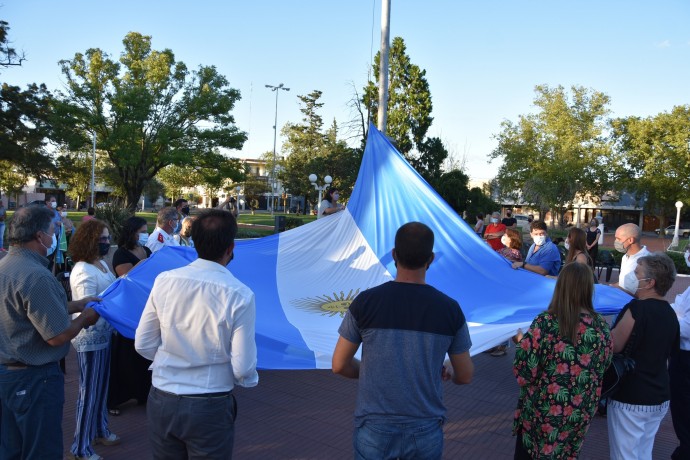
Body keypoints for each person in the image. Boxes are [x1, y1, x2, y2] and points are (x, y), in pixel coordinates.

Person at [332, 222, 474, 459]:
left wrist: (369, 371)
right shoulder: (450, 309)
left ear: (394, 255)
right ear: (430, 259)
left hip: (374, 426)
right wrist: (449, 368)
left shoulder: (365, 302)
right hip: (425, 427)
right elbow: (466, 375)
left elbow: (338, 364)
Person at [136, 209, 258, 459]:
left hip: (163, 397)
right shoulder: (240, 294)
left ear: (195, 243)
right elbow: (243, 368)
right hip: (209, 401)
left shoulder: (165, 280)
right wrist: (246, 380)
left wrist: (171, 362)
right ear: (230, 248)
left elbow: (144, 343)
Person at [0, 206, 99, 459]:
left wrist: (76, 304)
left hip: (9, 375)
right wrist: (85, 318)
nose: (58, 233)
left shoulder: (6, 266)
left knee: (11, 448)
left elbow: (28, 309)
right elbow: (57, 335)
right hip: (34, 380)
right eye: (55, 228)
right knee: (41, 450)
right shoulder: (36, 276)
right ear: (39, 235)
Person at [513, 262, 612, 459]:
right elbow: (604, 364)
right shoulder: (601, 325)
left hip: (543, 412)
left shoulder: (547, 322)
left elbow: (524, 372)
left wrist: (521, 343)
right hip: (580, 411)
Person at [608, 253, 680, 460]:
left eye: (637, 272)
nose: (632, 275)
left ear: (650, 282)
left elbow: (614, 345)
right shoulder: (669, 312)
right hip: (659, 394)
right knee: (643, 452)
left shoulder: (637, 309)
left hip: (632, 395)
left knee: (625, 454)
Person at [67, 219, 120, 460]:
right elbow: (86, 305)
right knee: (88, 392)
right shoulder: (82, 270)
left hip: (104, 334)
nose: (106, 243)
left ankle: (100, 429)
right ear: (89, 241)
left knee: (101, 388)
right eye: (102, 240)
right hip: (90, 338)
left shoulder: (100, 264)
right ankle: (80, 446)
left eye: (108, 238)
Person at [108, 216, 153, 415]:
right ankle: (116, 398)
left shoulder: (147, 250)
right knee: (126, 354)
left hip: (145, 307)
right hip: (128, 310)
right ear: (132, 232)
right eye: (142, 231)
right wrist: (145, 264)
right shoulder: (121, 254)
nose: (145, 234)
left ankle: (143, 392)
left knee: (144, 353)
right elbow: (127, 277)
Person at [671, 248, 690, 459]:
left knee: (684, 409)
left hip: (686, 358)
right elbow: (676, 307)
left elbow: (686, 328)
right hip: (681, 355)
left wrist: (673, 317)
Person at [614, 223, 650, 292]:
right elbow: (625, 284)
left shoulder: (647, 261)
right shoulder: (625, 257)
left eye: (618, 239)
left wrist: (619, 289)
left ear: (631, 240)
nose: (616, 242)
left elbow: (645, 293)